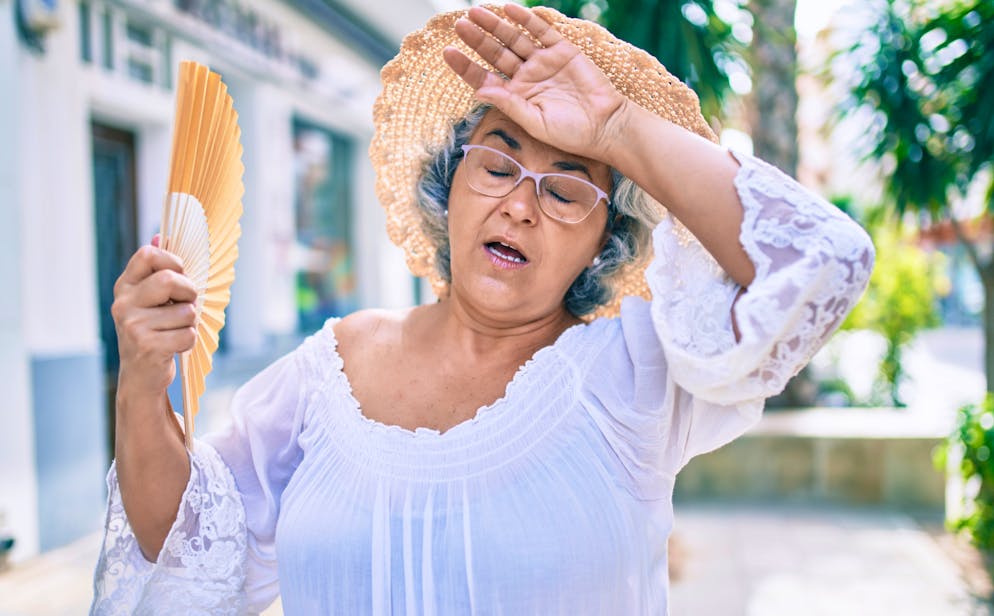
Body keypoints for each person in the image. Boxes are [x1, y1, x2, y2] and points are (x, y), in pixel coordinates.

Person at [91, 4, 874, 615]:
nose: (521, 207)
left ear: (604, 240)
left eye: (567, 189)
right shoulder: (325, 373)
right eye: (498, 163)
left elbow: (823, 261)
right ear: (450, 183)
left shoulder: (635, 371)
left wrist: (616, 128)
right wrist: (140, 377)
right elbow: (184, 554)